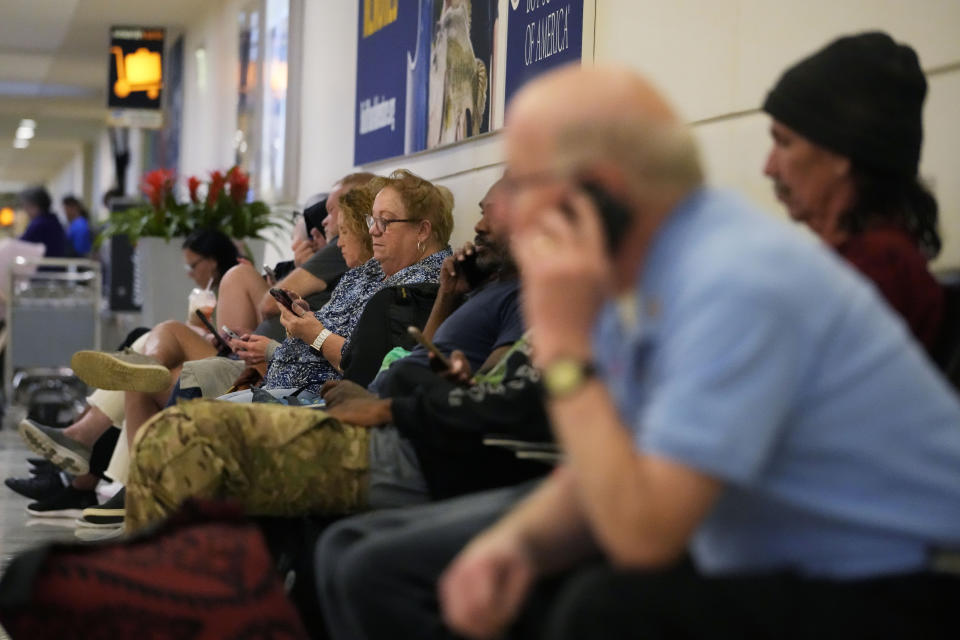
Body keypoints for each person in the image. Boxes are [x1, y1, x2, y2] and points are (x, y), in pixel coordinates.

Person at [315, 61, 960, 640]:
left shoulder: (736, 280)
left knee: (595, 607)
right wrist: (517, 543)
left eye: (527, 184)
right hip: (772, 547)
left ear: (597, 190)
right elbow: (612, 464)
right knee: (362, 561)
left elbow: (644, 532)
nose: (507, 211)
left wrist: (565, 344)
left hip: (900, 575)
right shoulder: (649, 271)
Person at [762, 32, 944, 353]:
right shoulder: (872, 262)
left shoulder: (873, 275)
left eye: (784, 142)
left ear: (840, 155)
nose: (769, 168)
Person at [19, 186, 66, 258]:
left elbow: (20, 244)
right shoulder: (52, 220)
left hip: (45, 267)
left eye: (26, 205)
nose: (25, 209)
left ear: (34, 205)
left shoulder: (40, 224)